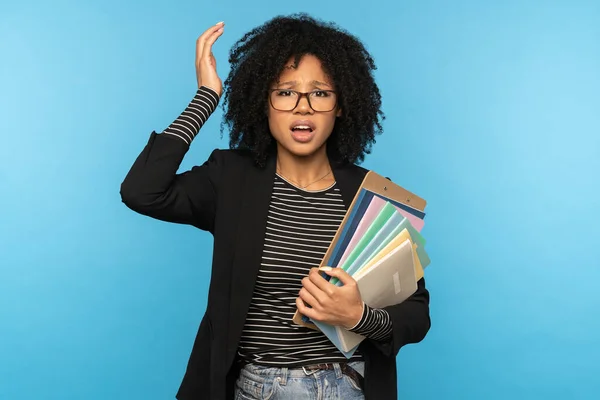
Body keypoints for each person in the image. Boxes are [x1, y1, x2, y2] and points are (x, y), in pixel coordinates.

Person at [120, 13, 430, 400]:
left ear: (341, 106)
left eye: (320, 92)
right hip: (254, 388)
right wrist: (206, 96)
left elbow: (417, 314)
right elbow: (142, 191)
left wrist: (358, 317)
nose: (303, 107)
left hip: (348, 387)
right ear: (262, 104)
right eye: (285, 92)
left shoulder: (371, 196)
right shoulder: (230, 178)